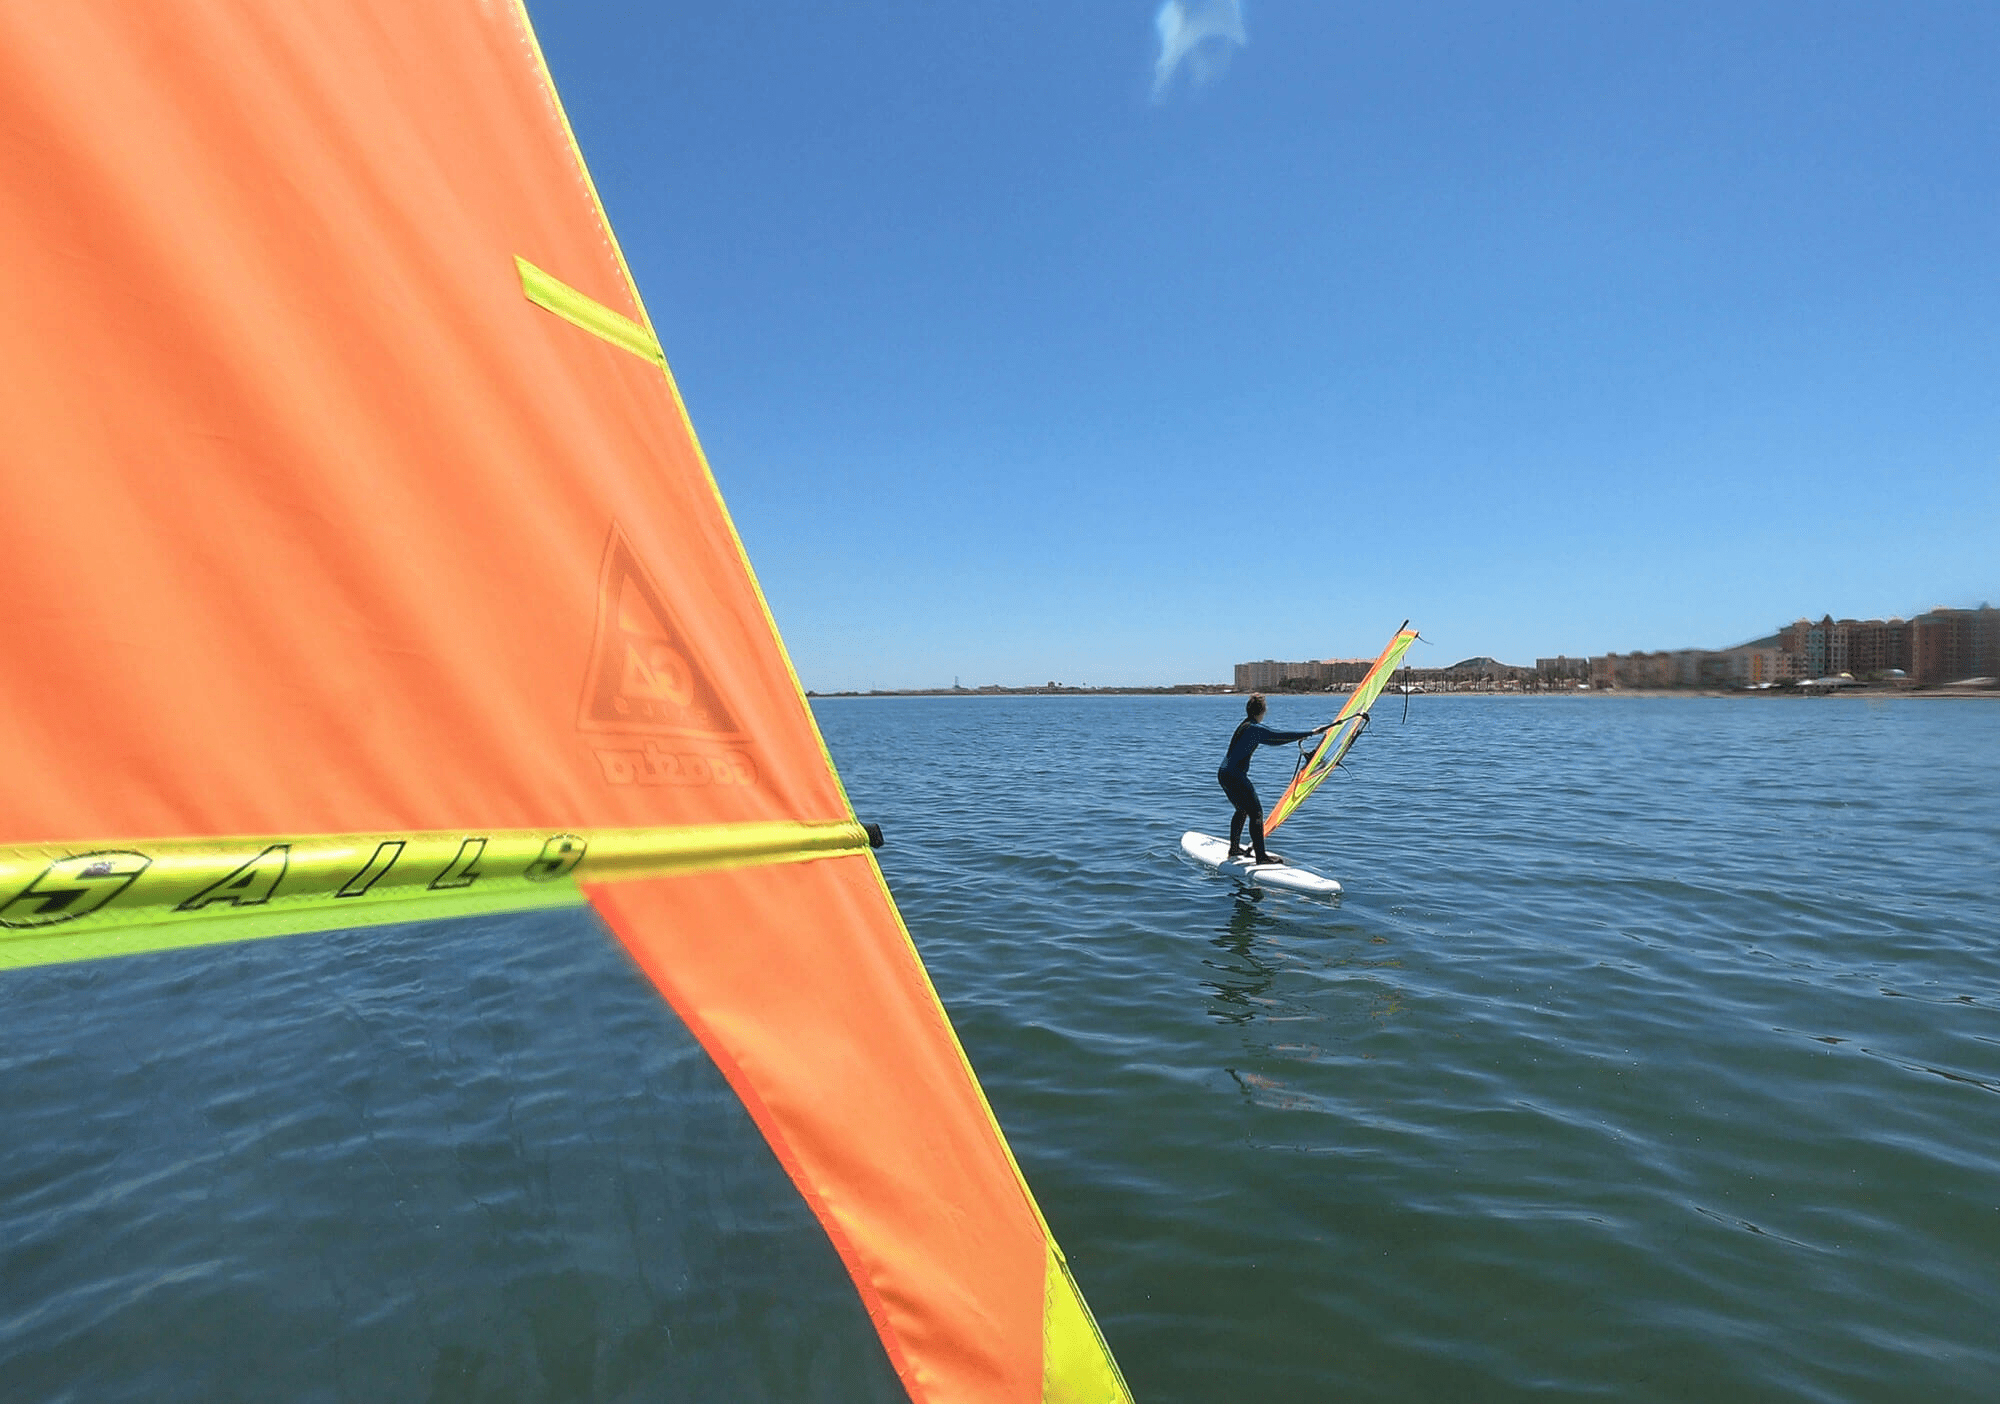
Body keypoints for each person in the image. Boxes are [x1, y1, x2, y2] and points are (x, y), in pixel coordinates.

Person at [1217, 694, 1330, 864]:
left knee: (1241, 810)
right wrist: (1311, 732)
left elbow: (1274, 740)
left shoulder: (1246, 725)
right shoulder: (1253, 728)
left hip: (1224, 773)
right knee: (1256, 813)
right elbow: (1277, 735)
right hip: (1235, 776)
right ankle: (1261, 858)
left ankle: (1234, 849)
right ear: (1263, 711)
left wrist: (1302, 736)